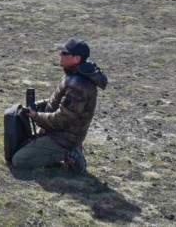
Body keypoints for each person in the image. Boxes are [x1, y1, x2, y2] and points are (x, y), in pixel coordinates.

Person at [12, 38, 108, 174]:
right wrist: (37, 105)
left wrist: (36, 116)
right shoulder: (73, 74)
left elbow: (63, 119)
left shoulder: (79, 85)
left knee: (19, 161)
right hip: (56, 133)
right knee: (19, 147)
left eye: (64, 53)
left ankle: (69, 154)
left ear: (76, 58)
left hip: (63, 139)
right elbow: (58, 102)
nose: (60, 56)